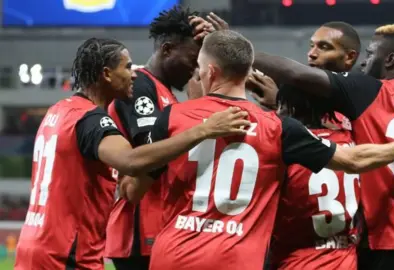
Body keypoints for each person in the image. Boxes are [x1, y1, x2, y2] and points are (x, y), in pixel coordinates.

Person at [120, 30, 394, 270]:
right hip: (238, 259)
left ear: (210, 72)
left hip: (175, 255)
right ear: (245, 71)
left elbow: (133, 189)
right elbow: (351, 160)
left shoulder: (174, 117)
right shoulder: (279, 128)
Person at [14, 37, 250, 270]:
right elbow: (131, 161)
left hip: (34, 246)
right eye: (127, 67)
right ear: (107, 74)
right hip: (67, 254)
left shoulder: (58, 111)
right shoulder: (91, 120)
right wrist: (204, 129)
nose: (134, 74)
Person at [253, 24, 394, 270]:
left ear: (389, 59)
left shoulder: (371, 92)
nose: (364, 64)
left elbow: (298, 75)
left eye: (369, 55)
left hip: (389, 243)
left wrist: (240, 53)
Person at [105, 6, 214, 269]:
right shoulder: (141, 85)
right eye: (192, 59)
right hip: (140, 230)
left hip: (159, 224)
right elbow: (150, 152)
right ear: (167, 50)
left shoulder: (167, 93)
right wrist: (199, 118)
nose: (194, 69)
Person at [261, 22, 363, 270]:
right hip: (345, 260)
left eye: (323, 47)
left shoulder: (281, 144)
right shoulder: (352, 132)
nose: (311, 54)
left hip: (295, 262)